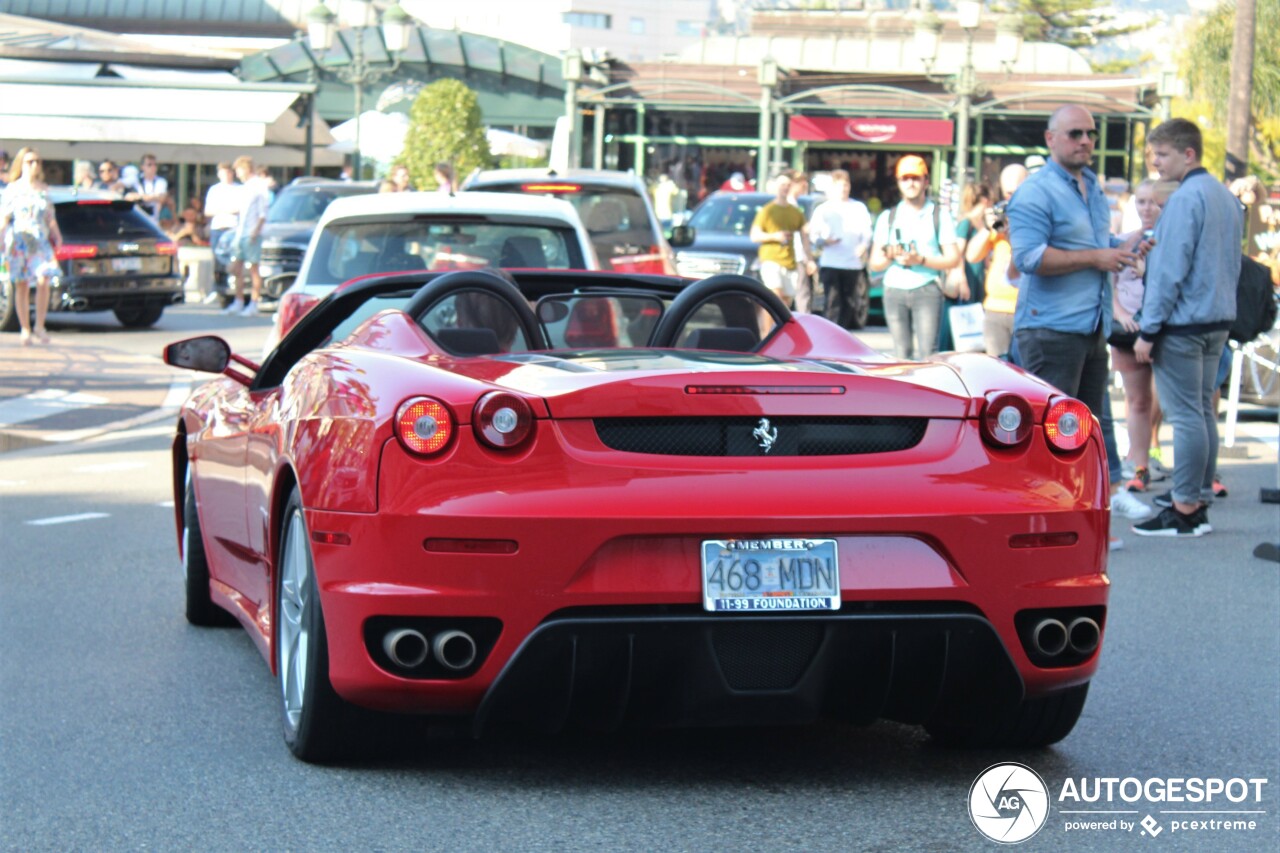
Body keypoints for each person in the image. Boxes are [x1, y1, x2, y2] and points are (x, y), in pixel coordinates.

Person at [1131, 118, 1242, 537]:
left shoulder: (1185, 199)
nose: (1156, 164)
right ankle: (1195, 496)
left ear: (1187, 153)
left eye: (1162, 154)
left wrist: (1148, 330)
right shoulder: (1224, 196)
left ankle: (1184, 509)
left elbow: (1169, 270)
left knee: (1187, 415)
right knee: (1201, 411)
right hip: (1216, 318)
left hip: (1184, 322)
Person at [1007, 105, 1140, 426]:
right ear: (1050, 139)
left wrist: (1127, 245)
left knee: (1082, 434)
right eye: (1075, 133)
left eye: (1091, 134)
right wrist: (1097, 258)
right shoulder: (1035, 191)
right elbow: (1028, 258)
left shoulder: (1092, 185)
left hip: (1092, 328)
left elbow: (1096, 246)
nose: (1085, 141)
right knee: (1048, 435)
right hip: (1050, 331)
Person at [868, 155, 961, 360]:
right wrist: (891, 254)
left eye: (916, 178)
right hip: (894, 288)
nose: (910, 183)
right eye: (905, 178)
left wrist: (920, 260)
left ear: (926, 181)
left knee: (929, 353)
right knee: (901, 353)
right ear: (899, 182)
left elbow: (952, 258)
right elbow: (875, 263)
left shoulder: (939, 215)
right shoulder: (888, 217)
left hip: (927, 287)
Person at [1110, 179, 1163, 494]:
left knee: (1165, 399)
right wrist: (1120, 313)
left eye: (1154, 202)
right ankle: (1138, 466)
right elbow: (1110, 286)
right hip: (1127, 332)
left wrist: (1150, 271)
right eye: (1141, 202)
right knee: (1137, 400)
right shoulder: (1125, 241)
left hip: (1163, 331)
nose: (1147, 208)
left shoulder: (1170, 242)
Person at [0, 147, 63, 345]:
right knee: (22, 284)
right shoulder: (13, 189)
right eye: (29, 161)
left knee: (44, 278)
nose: (34, 165)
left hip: (41, 241)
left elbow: (50, 217)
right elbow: (5, 217)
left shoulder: (43, 188)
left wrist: (57, 235)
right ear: (21, 164)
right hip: (20, 241)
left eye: (37, 161)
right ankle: (25, 328)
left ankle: (39, 326)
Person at [968, 164, 1029, 358]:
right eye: (1008, 194)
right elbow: (972, 255)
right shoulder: (1000, 217)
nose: (1012, 200)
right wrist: (989, 227)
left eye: (1017, 192)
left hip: (1026, 309)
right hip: (995, 309)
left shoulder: (1036, 217)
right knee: (997, 371)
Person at [808, 169, 872, 329]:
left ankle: (844, 332)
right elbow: (813, 235)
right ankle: (830, 331)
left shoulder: (859, 208)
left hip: (852, 262)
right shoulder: (823, 209)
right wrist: (825, 241)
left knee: (850, 300)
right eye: (839, 185)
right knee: (832, 299)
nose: (843, 189)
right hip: (831, 261)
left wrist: (863, 246)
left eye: (846, 185)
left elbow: (867, 232)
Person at [749, 171, 816, 310]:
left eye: (787, 185)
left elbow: (805, 235)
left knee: (785, 303)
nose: (784, 188)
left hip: (789, 261)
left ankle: (777, 329)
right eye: (782, 184)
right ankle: (766, 330)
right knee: (775, 296)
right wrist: (774, 236)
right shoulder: (767, 210)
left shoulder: (795, 211)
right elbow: (754, 235)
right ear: (775, 186)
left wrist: (809, 259)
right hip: (771, 260)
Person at [938, 180, 991, 351]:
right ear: (984, 201)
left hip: (976, 278)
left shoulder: (980, 223)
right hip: (966, 280)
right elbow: (957, 254)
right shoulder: (966, 223)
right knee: (960, 326)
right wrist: (962, 280)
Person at [223, 156, 270, 317]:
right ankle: (239, 300)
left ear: (245, 169)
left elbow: (263, 213)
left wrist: (255, 232)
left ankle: (254, 303)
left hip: (252, 233)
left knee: (253, 269)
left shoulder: (258, 186)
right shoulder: (245, 188)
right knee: (237, 268)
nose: (237, 174)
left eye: (238, 170)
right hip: (241, 232)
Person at [203, 162, 239, 304]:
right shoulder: (214, 190)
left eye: (228, 172)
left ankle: (231, 290)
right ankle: (217, 289)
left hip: (232, 228)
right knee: (217, 261)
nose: (226, 175)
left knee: (232, 260)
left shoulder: (238, 189)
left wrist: (224, 209)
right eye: (223, 173)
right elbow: (208, 211)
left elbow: (240, 209)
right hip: (218, 227)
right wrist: (225, 210)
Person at [786, 171, 816, 313]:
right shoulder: (790, 206)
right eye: (800, 182)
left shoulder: (793, 205)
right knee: (801, 295)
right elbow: (800, 236)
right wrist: (807, 259)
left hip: (793, 256)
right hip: (796, 257)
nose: (804, 185)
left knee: (792, 295)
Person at [128, 153, 168, 224]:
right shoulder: (135, 180)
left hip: (153, 220)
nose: (153, 167)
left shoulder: (160, 181)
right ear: (142, 167)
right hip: (136, 219)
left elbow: (161, 198)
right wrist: (149, 197)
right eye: (149, 165)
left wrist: (139, 197)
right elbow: (128, 197)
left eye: (155, 164)